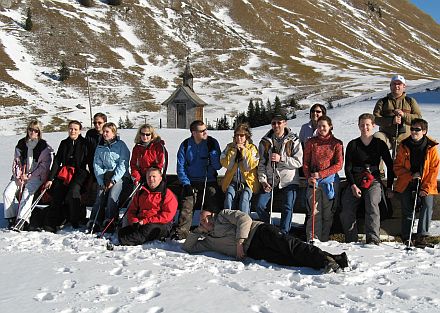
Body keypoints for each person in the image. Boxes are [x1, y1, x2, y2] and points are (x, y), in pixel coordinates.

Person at [182, 209, 349, 273]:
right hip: (254, 250)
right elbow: (188, 247)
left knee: (291, 247)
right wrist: (197, 231)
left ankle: (325, 261)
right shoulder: (207, 241)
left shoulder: (223, 216)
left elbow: (245, 219)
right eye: (204, 220)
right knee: (286, 259)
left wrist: (240, 242)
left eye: (210, 216)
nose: (209, 220)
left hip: (259, 232)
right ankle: (333, 258)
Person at [340, 113, 394, 245]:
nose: (365, 127)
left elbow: (390, 166)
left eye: (367, 125)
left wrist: (389, 186)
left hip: (373, 180)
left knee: (372, 202)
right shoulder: (353, 145)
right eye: (362, 125)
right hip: (355, 180)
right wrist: (353, 185)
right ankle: (351, 240)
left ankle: (373, 239)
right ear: (358, 126)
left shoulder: (379, 144)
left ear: (373, 126)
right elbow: (347, 168)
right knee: (346, 208)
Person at [173, 120, 222, 240]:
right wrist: (186, 183)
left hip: (208, 179)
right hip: (191, 181)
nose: (205, 132)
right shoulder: (185, 145)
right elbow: (180, 167)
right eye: (202, 131)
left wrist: (213, 152)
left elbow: (217, 166)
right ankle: (182, 232)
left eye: (206, 129)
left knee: (213, 197)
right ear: (193, 132)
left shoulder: (212, 142)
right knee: (187, 202)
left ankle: (212, 229)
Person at [393, 118, 439, 246]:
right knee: (407, 206)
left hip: (425, 182)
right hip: (407, 181)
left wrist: (425, 188)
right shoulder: (403, 145)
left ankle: (421, 236)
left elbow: (434, 170)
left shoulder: (431, 147)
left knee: (427, 204)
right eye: (412, 129)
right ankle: (407, 236)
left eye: (417, 129)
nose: (413, 132)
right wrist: (411, 175)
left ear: (424, 131)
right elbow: (397, 166)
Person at [255, 113, 303, 234]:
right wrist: (263, 181)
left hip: (289, 181)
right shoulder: (265, 142)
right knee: (260, 205)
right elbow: (261, 164)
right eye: (273, 123)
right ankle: (270, 231)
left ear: (285, 123)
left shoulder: (294, 140)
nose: (276, 125)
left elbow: (299, 162)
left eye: (279, 122)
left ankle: (283, 234)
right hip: (271, 181)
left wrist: (281, 159)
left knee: (287, 206)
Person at [3, 120, 53, 230]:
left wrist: (29, 176)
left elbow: (44, 167)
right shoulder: (21, 143)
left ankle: (22, 220)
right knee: (8, 193)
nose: (33, 132)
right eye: (31, 129)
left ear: (39, 132)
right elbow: (16, 162)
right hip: (21, 175)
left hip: (36, 177)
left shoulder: (44, 146)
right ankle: (11, 218)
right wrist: (18, 175)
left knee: (27, 194)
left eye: (36, 130)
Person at [42, 121, 90, 232]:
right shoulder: (64, 143)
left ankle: (75, 219)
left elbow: (90, 161)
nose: (72, 131)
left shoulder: (84, 143)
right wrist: (50, 178)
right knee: (57, 191)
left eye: (75, 129)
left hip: (80, 172)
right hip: (65, 171)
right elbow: (57, 161)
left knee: (74, 191)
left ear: (80, 131)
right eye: (71, 129)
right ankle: (51, 222)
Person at [303, 116, 343, 242]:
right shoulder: (311, 142)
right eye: (319, 126)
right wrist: (309, 176)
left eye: (324, 126)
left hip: (329, 182)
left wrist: (321, 174)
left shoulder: (336, 143)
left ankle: (324, 240)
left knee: (327, 213)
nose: (321, 129)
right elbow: (306, 162)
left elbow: (338, 164)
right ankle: (313, 239)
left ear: (330, 126)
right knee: (314, 212)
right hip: (313, 182)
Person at [87, 122, 131, 233]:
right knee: (100, 195)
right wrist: (101, 180)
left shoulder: (121, 145)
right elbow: (97, 164)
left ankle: (110, 220)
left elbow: (123, 164)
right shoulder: (100, 146)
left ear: (114, 133)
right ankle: (95, 220)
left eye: (107, 132)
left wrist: (113, 180)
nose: (105, 134)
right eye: (104, 132)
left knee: (112, 195)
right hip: (105, 175)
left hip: (119, 176)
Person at [118, 167, 178, 245]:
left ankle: (129, 240)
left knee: (148, 229)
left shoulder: (167, 194)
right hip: (141, 222)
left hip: (159, 224)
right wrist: (134, 220)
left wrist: (146, 221)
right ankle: (128, 238)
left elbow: (166, 216)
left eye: (154, 176)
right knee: (124, 231)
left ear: (160, 178)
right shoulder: (141, 192)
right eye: (149, 177)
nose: (151, 179)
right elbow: (132, 210)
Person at [373, 75, 422, 153]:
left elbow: (419, 118)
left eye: (399, 84)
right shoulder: (382, 102)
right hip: (386, 135)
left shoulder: (410, 101)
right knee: (376, 140)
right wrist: (391, 121)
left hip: (405, 137)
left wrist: (403, 115)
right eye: (394, 84)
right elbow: (375, 119)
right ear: (390, 86)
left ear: (404, 86)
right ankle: (377, 165)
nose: (397, 86)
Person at [220, 123, 259, 215]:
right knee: (229, 196)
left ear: (246, 136)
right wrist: (234, 151)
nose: (239, 137)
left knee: (245, 198)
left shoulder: (252, 148)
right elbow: (226, 164)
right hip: (232, 181)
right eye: (237, 135)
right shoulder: (229, 147)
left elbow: (249, 166)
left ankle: (244, 221)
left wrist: (244, 151)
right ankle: (228, 220)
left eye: (242, 135)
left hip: (248, 182)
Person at [85, 113, 107, 181]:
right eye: (95, 123)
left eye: (99, 123)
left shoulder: (109, 134)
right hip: (92, 166)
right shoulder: (90, 133)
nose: (97, 125)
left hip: (106, 167)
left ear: (105, 123)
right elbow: (86, 150)